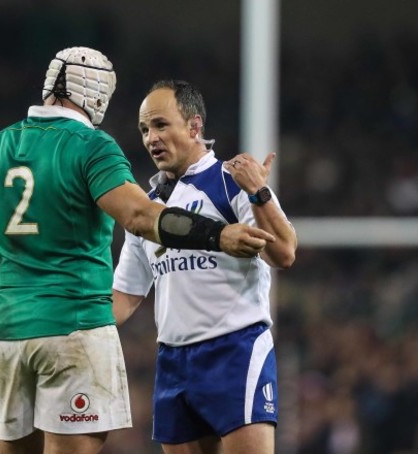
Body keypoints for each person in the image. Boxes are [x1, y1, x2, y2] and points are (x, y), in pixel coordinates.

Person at [0, 49, 273, 454]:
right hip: (73, 326)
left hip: (5, 333)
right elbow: (140, 216)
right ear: (97, 95)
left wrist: (26, 247)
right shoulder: (91, 146)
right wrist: (218, 236)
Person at [113, 79, 298, 454]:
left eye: (161, 125)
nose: (151, 138)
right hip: (172, 360)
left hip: (234, 349)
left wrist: (258, 192)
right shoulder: (147, 209)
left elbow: (285, 254)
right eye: (145, 129)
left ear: (195, 127)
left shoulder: (232, 181)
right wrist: (70, 323)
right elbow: (125, 297)